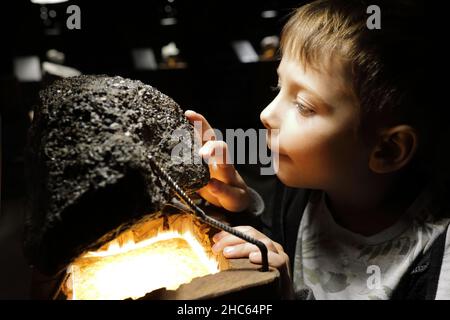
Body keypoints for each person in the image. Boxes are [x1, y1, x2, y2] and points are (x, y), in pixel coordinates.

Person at [185, 0, 450, 299]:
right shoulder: (304, 191)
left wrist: (278, 294)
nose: (267, 114)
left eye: (303, 106)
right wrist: (239, 210)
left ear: (387, 150)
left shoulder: (435, 266)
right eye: (278, 87)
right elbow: (276, 249)